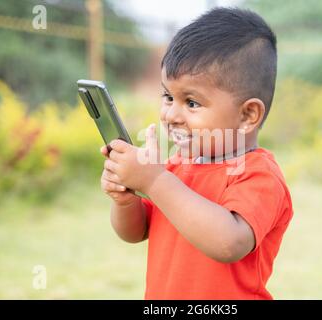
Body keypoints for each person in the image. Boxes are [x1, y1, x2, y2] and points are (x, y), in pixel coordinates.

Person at [100, 7, 293, 299]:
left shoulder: (259, 175)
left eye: (191, 103)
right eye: (167, 97)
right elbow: (136, 232)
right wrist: (126, 199)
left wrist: (153, 181)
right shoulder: (177, 165)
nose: (172, 114)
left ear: (248, 115)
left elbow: (228, 243)